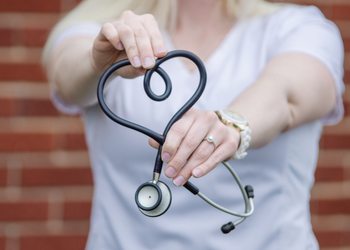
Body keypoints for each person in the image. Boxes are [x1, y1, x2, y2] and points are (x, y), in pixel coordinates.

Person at [43, 0, 344, 249]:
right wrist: (99, 62)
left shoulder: (299, 28)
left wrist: (231, 125)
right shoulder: (107, 30)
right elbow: (68, 78)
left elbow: (286, 93)